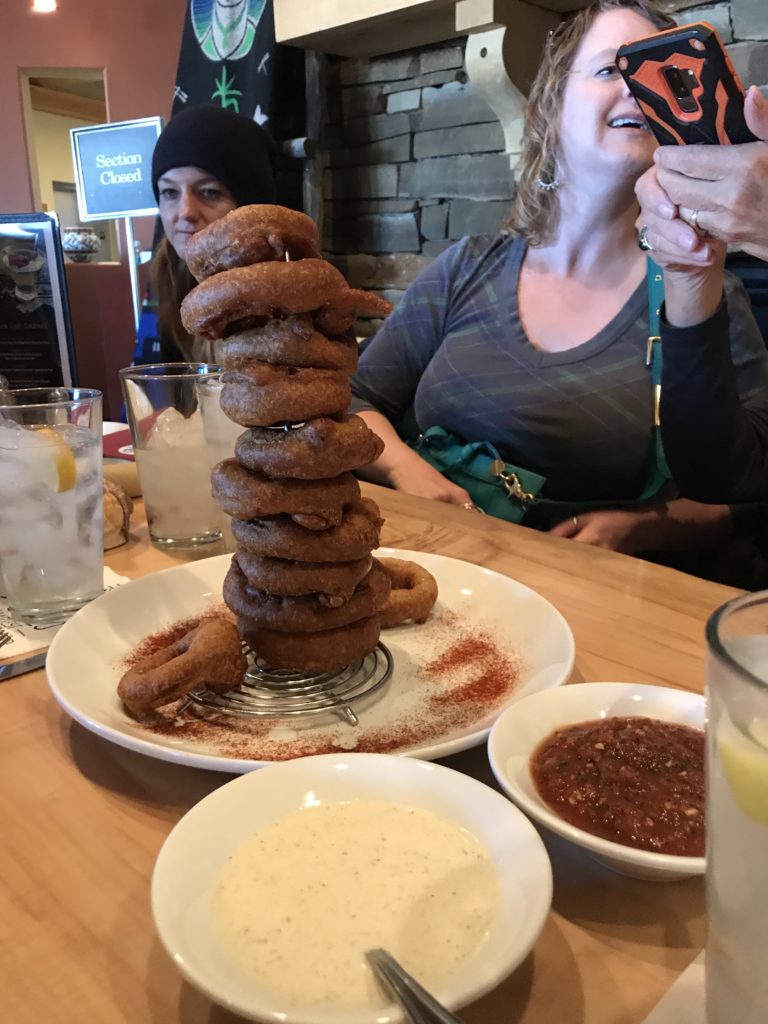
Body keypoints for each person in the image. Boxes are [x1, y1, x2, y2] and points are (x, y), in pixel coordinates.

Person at [350, 0, 768, 574]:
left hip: (586, 601)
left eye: (656, 75)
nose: (637, 91)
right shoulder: (469, 266)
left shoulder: (701, 293)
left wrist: (645, 531)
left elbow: (745, 494)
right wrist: (404, 468)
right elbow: (353, 399)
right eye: (609, 71)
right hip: (429, 567)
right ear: (553, 106)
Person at [635, 87, 768, 502]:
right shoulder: (476, 259)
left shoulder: (730, 288)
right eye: (610, 69)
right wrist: (689, 272)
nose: (633, 96)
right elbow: (719, 480)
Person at [149, 104, 277, 363]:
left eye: (209, 192)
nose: (185, 212)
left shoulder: (295, 296)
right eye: (170, 193)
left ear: (251, 208)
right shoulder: (167, 277)